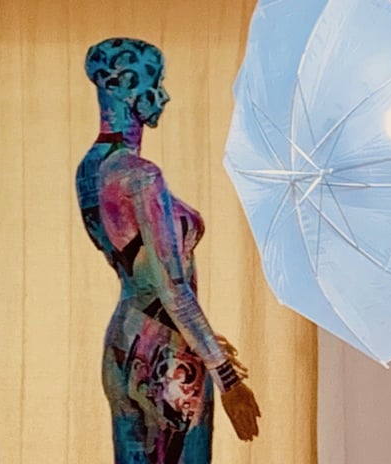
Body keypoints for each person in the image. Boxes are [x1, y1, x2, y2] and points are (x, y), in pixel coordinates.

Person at [75, 37, 260, 463]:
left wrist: (203, 336)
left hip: (123, 345)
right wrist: (227, 376)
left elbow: (138, 274)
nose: (164, 95)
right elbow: (172, 287)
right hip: (168, 356)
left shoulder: (91, 168)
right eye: (155, 83)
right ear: (124, 87)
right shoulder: (143, 177)